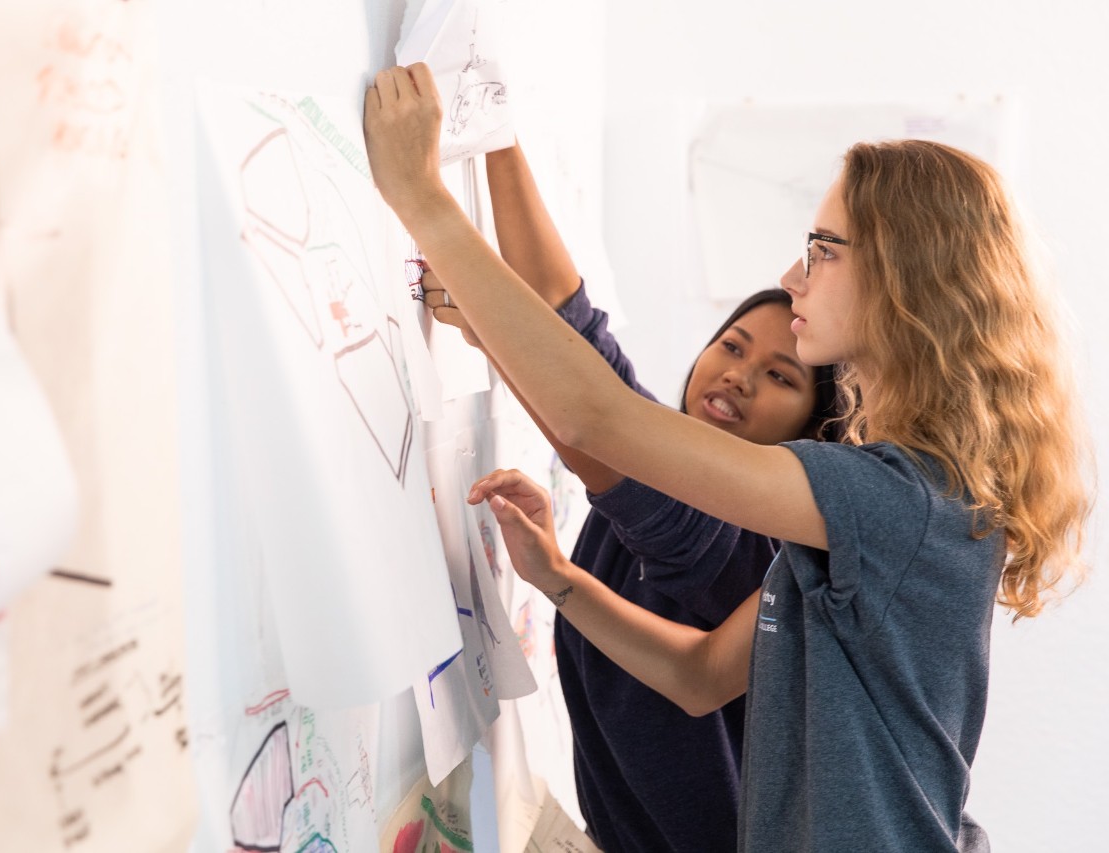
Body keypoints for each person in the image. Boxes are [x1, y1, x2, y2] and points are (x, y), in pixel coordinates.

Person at [363, 64, 1092, 852]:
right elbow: (701, 674)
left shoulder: (896, 503)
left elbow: (595, 414)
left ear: (902, 279)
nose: (791, 278)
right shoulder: (876, 508)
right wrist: (560, 580)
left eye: (822, 250)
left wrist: (422, 198)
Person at [417, 141, 839, 853]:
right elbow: (578, 348)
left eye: (780, 376)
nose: (739, 376)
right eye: (732, 347)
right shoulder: (666, 480)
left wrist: (490, 314)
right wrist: (493, 133)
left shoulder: (744, 542)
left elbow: (587, 402)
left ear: (812, 429)